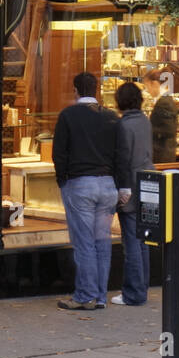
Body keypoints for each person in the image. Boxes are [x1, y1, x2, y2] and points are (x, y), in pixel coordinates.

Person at [52, 72, 126, 310]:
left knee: (84, 243)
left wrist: (62, 180)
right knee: (102, 242)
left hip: (80, 184)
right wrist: (122, 185)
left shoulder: (68, 115)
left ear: (75, 90)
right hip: (108, 186)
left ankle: (85, 295)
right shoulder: (111, 117)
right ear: (96, 90)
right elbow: (120, 154)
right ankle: (100, 296)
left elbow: (59, 153)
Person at [112, 81, 152, 306]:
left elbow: (123, 159)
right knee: (143, 240)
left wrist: (123, 188)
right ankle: (141, 286)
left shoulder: (123, 126)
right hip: (148, 184)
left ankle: (134, 292)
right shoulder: (144, 122)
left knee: (132, 242)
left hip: (131, 186)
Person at [143, 69, 179, 167]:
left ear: (154, 83)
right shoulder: (165, 100)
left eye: (147, 86)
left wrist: (147, 129)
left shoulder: (164, 102)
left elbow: (169, 129)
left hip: (162, 155)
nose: (148, 91)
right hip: (164, 154)